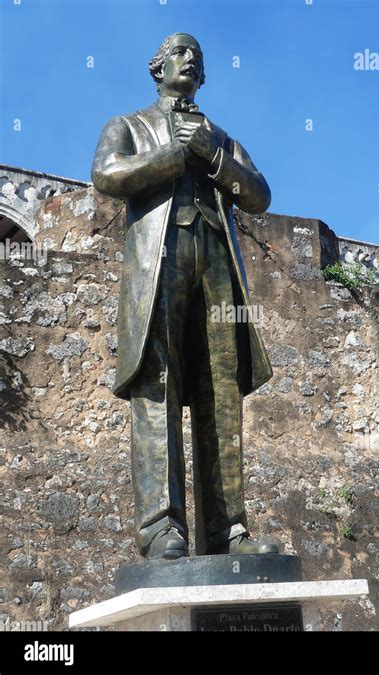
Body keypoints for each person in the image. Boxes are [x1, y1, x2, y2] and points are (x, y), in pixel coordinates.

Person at [92, 33, 278, 559]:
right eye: (180, 51)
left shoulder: (219, 135)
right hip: (160, 261)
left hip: (216, 262)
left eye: (198, 54)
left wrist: (212, 156)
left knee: (221, 391)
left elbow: (259, 194)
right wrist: (175, 156)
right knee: (158, 384)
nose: (191, 58)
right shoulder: (127, 125)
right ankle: (160, 528)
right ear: (158, 68)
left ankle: (228, 531)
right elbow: (107, 173)